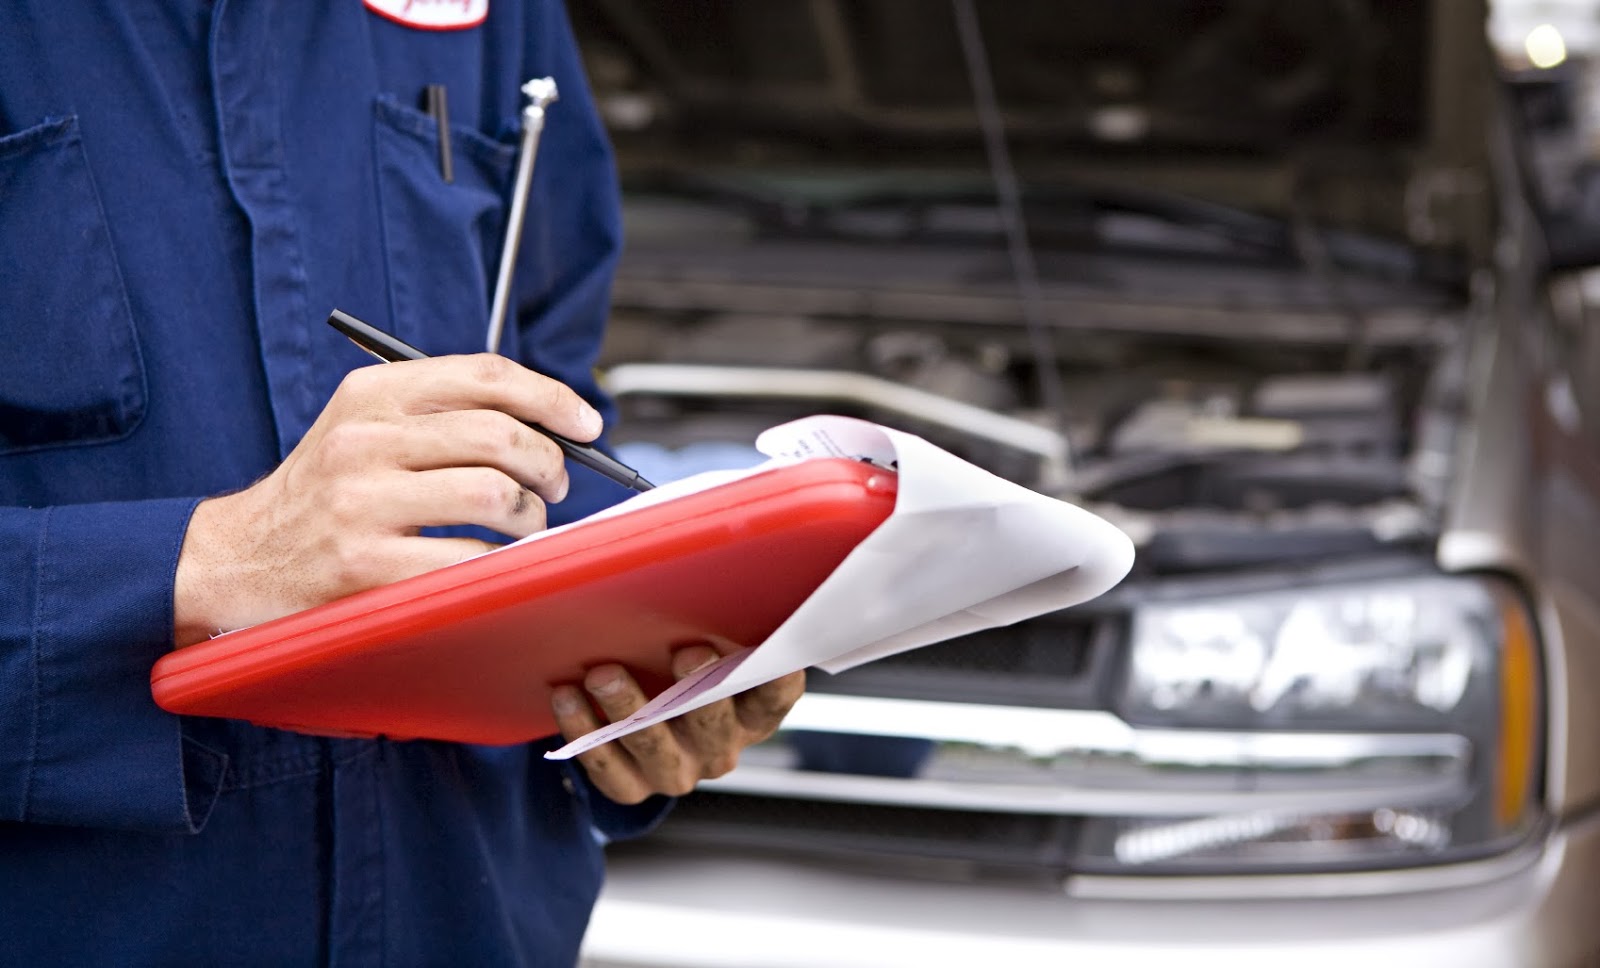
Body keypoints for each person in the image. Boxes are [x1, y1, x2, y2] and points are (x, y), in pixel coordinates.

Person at [0, 2, 802, 964]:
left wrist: (648, 666)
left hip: (471, 919)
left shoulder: (500, 17)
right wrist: (207, 566)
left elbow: (551, 424)